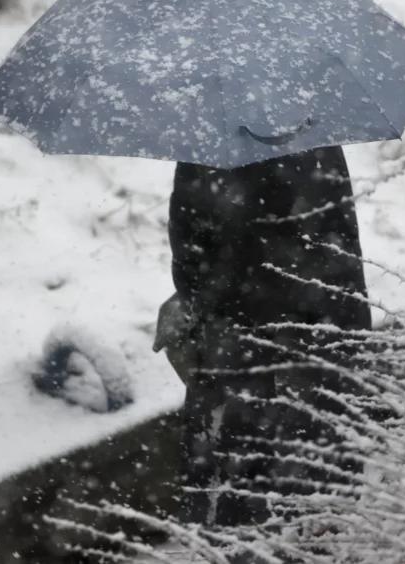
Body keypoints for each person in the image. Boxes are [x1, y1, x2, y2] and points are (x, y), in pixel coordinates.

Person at [155, 145, 371, 526]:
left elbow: (190, 266)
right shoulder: (316, 137)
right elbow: (343, 254)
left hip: (235, 360)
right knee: (322, 497)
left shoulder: (206, 150)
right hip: (320, 348)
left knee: (236, 503)